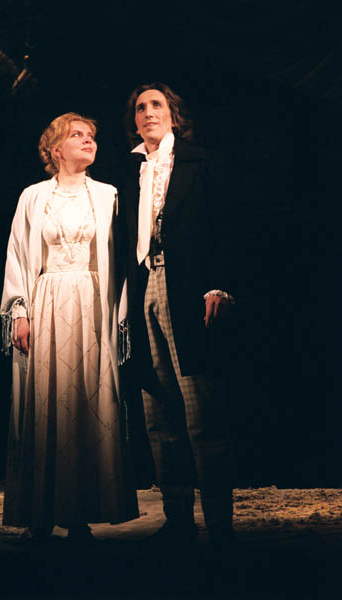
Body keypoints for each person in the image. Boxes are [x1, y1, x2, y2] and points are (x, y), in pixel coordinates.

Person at [0, 112, 138, 542]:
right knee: (46, 403)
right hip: (48, 301)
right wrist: (19, 311)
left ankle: (81, 515)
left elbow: (121, 257)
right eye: (77, 135)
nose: (88, 141)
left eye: (92, 135)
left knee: (87, 404)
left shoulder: (108, 195)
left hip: (92, 303)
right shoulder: (34, 196)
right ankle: (40, 515)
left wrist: (120, 314)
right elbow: (17, 254)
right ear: (56, 149)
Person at [120, 83, 236, 545]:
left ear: (173, 114)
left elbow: (227, 226)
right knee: (158, 414)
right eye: (140, 107)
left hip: (188, 288)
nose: (148, 112)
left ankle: (219, 523)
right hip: (143, 286)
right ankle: (178, 518)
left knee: (200, 413)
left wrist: (219, 284)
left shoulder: (199, 161)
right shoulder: (130, 172)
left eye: (157, 105)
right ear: (134, 121)